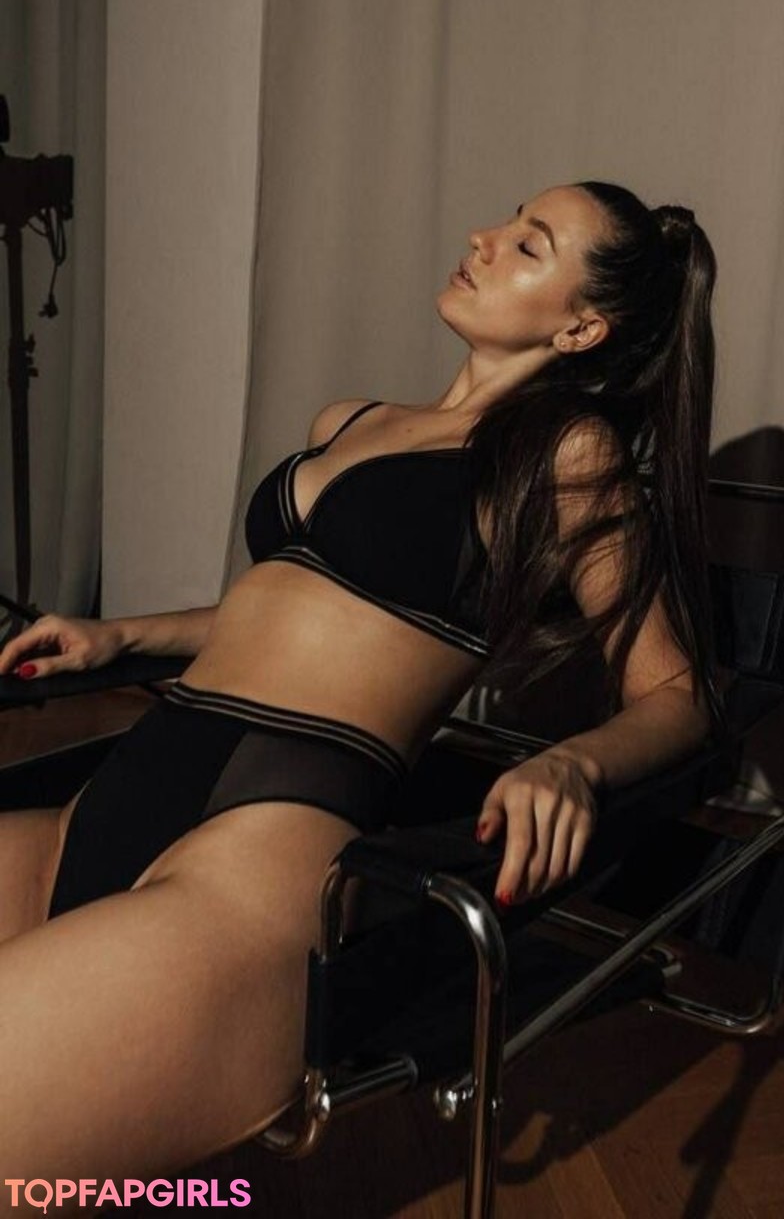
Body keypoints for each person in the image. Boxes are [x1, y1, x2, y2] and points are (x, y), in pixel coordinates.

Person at [0, 180, 724, 1189]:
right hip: (126, 786)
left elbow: (679, 694)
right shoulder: (352, 420)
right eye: (507, 221)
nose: (484, 237)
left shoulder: (566, 456)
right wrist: (120, 632)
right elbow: (293, 608)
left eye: (530, 246)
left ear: (580, 328)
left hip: (262, 838)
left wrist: (575, 765)